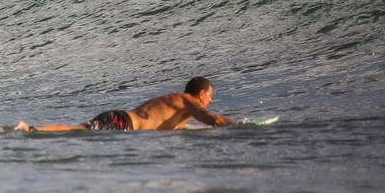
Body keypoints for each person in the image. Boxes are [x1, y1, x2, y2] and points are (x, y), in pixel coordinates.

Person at [13, 77, 237, 132]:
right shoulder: (188, 102)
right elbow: (213, 119)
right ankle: (29, 128)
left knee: (79, 129)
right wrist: (240, 126)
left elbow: (179, 126)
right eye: (210, 96)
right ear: (201, 93)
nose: (211, 100)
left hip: (121, 117)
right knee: (75, 130)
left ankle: (31, 128)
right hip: (123, 123)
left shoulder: (176, 102)